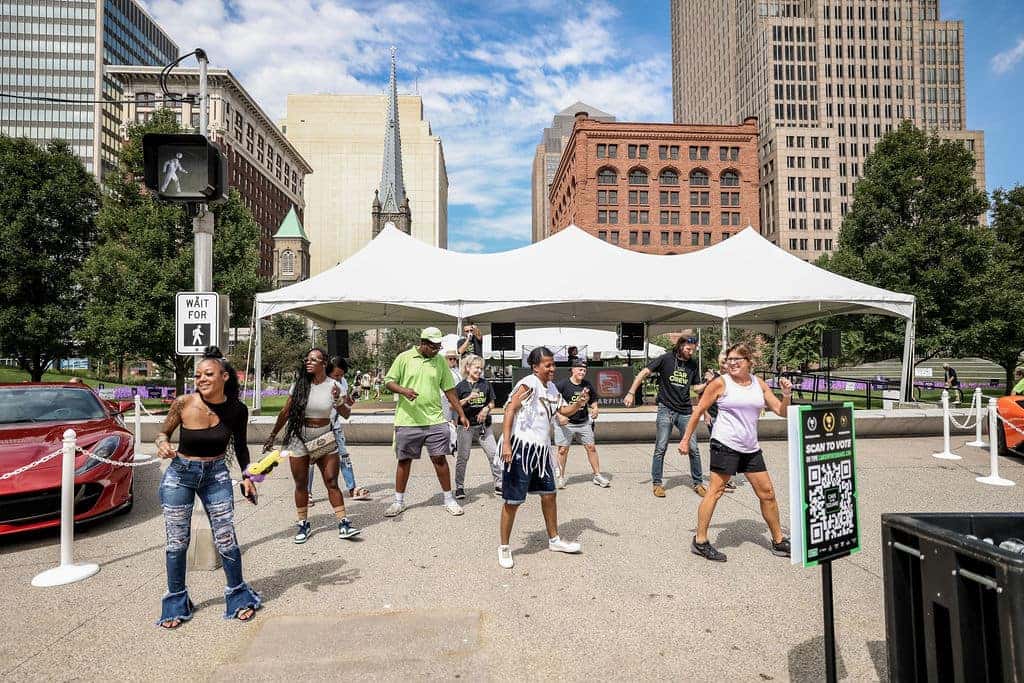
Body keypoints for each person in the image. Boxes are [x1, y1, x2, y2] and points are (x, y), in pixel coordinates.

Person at [154, 346, 260, 628]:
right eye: (197, 374)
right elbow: (163, 432)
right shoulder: (183, 403)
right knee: (177, 542)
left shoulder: (237, 410)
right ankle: (176, 603)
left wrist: (248, 477)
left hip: (216, 475)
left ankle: (238, 597)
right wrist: (163, 443)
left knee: (226, 538)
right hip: (181, 474)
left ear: (224, 376)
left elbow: (240, 447)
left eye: (208, 374)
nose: (200, 379)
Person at [679, 343, 793, 562]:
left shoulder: (758, 384)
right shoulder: (720, 383)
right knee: (715, 491)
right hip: (725, 444)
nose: (731, 363)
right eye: (729, 360)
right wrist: (685, 440)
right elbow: (698, 411)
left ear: (749, 362)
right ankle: (700, 541)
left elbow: (781, 411)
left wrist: (786, 395)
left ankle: (778, 541)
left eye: (737, 360)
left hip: (750, 448)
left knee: (767, 493)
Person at [497, 346, 586, 569]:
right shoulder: (529, 383)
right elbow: (509, 409)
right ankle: (505, 547)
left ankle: (554, 540)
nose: (552, 368)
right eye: (548, 365)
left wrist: (579, 404)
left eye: (553, 364)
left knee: (549, 495)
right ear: (535, 367)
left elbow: (563, 411)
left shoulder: (553, 388)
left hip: (541, 451)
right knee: (513, 501)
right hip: (521, 449)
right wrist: (506, 443)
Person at [264, 348, 360, 544]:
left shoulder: (334, 385)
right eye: (307, 359)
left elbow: (346, 413)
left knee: (331, 481)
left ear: (324, 363)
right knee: (301, 484)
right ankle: (303, 524)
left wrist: (337, 399)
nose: (308, 362)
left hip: (324, 435)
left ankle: (343, 522)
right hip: (300, 437)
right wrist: (273, 435)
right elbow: (285, 411)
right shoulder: (299, 385)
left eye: (313, 360)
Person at [383, 327, 470, 517]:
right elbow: (388, 381)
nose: (436, 350)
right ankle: (398, 501)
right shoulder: (404, 358)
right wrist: (404, 391)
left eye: (439, 346)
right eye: (433, 346)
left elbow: (449, 390)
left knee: (440, 459)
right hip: (407, 420)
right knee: (404, 461)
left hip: (435, 419)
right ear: (423, 342)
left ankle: (448, 499)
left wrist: (461, 414)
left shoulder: (439, 361)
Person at [623, 336, 707, 498]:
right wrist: (631, 392)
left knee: (694, 449)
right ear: (681, 346)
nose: (691, 352)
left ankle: (698, 483)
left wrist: (709, 383)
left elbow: (696, 388)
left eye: (693, 349)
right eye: (689, 349)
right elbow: (643, 373)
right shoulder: (665, 359)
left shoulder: (693, 364)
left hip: (685, 411)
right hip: (666, 409)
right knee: (661, 447)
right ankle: (657, 484)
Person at [307, 357, 372, 505]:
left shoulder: (341, 382)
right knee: (311, 460)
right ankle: (307, 493)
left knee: (344, 457)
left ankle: (352, 488)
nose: (339, 378)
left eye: (342, 375)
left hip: (335, 426)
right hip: (318, 428)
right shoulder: (318, 382)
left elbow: (345, 402)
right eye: (336, 375)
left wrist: (350, 400)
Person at [453, 354, 503, 498]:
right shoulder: (460, 386)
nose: (479, 371)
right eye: (477, 368)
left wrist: (486, 409)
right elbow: (453, 406)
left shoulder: (485, 384)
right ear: (468, 368)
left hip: (484, 426)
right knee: (463, 457)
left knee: (494, 454)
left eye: (481, 368)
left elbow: (492, 402)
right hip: (466, 427)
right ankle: (459, 487)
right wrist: (468, 398)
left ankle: (499, 484)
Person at [554, 359, 609, 488]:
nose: (582, 372)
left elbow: (593, 399)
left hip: (583, 422)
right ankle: (560, 477)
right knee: (562, 450)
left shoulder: (587, 385)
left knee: (591, 448)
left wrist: (595, 408)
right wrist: (559, 415)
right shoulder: (561, 385)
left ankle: (597, 476)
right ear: (572, 370)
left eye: (584, 370)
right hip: (565, 424)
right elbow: (551, 403)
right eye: (580, 369)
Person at [698, 353, 735, 493]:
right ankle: (719, 481)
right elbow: (702, 397)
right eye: (724, 361)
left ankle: (726, 478)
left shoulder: (733, 377)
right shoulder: (712, 376)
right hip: (714, 416)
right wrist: (705, 413)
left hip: (729, 418)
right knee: (718, 448)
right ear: (720, 362)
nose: (726, 364)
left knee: (729, 447)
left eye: (729, 361)